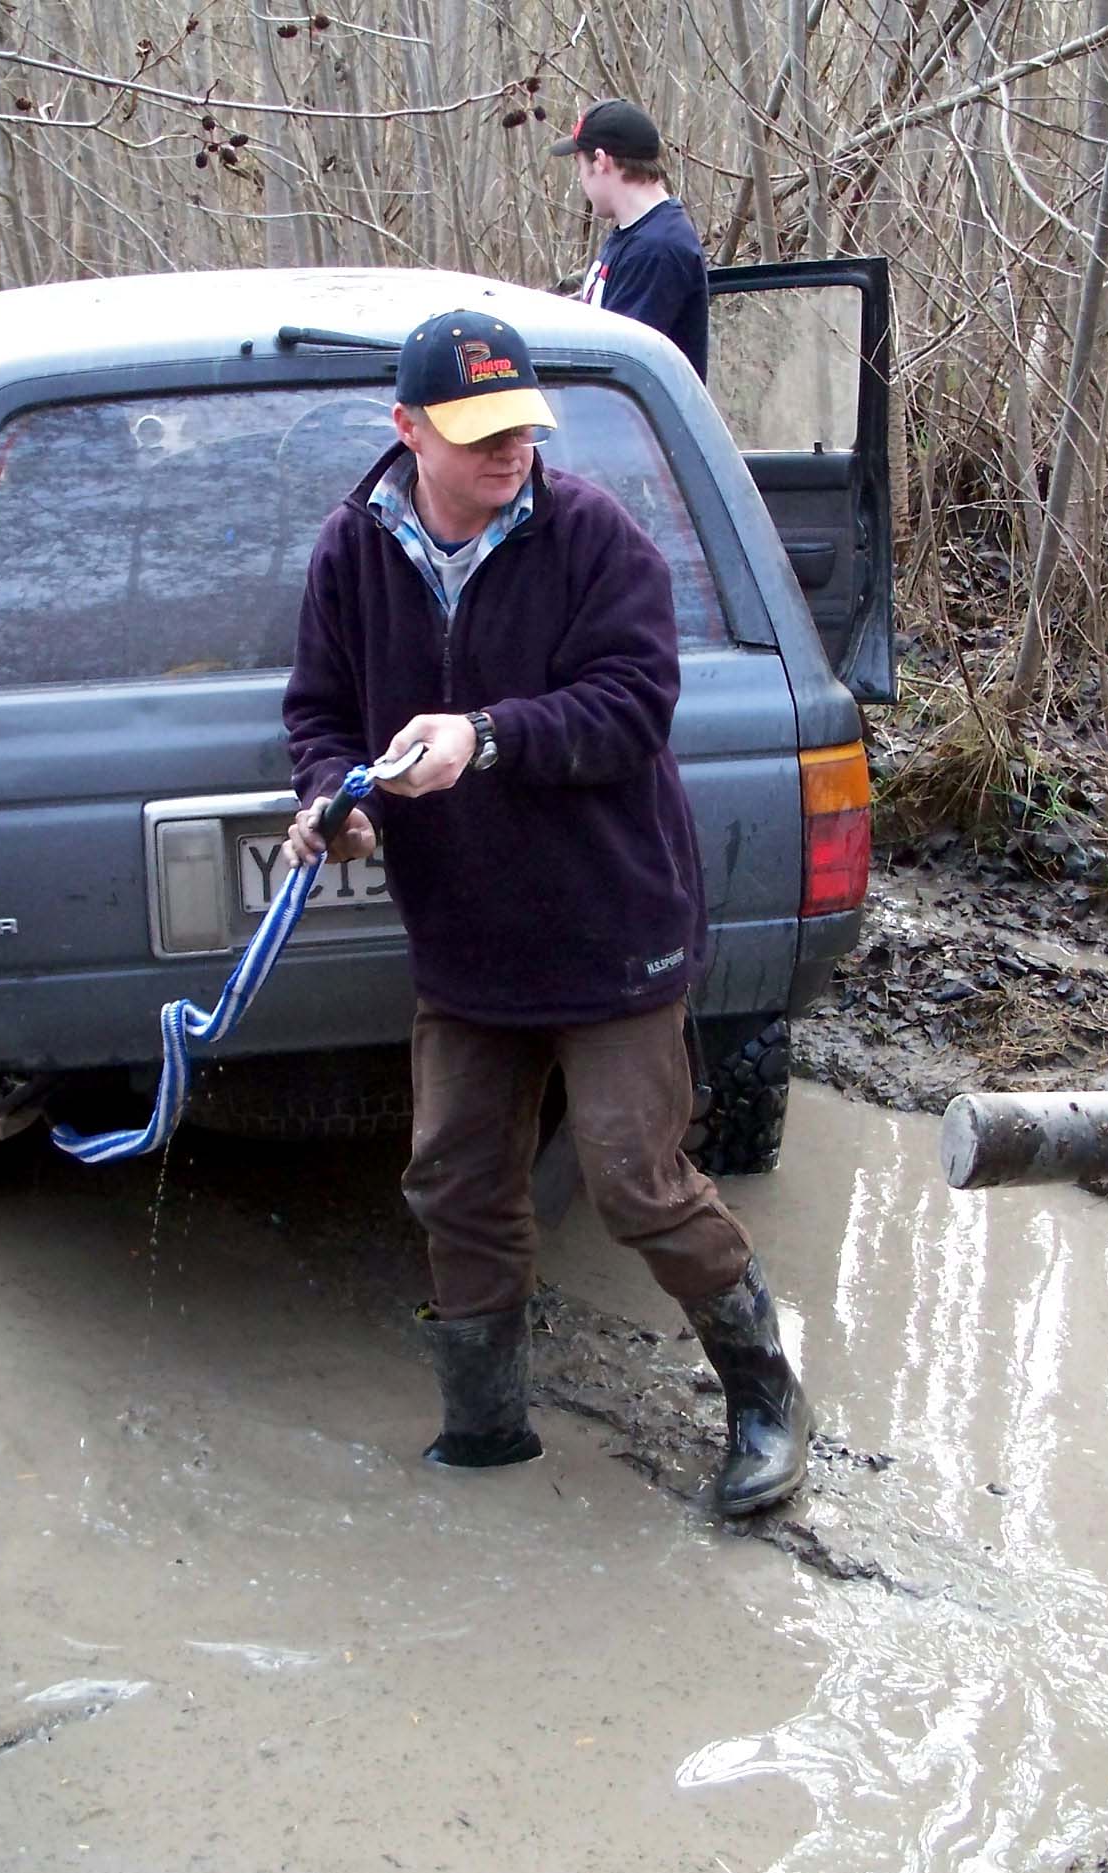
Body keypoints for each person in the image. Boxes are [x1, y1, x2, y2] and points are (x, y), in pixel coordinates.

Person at [281, 309, 806, 1515]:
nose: (508, 447)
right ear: (407, 428)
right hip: (463, 935)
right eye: (477, 431)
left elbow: (632, 707)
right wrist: (332, 799)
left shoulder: (594, 538)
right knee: (454, 1177)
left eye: (521, 422)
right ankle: (483, 1433)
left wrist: (488, 738)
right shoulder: (347, 553)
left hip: (614, 923)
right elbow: (317, 712)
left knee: (636, 1177)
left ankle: (766, 1398)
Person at [549, 99, 707, 381]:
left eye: (579, 163)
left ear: (600, 161)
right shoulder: (633, 234)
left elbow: (616, 370)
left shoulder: (658, 248)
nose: (580, 178)